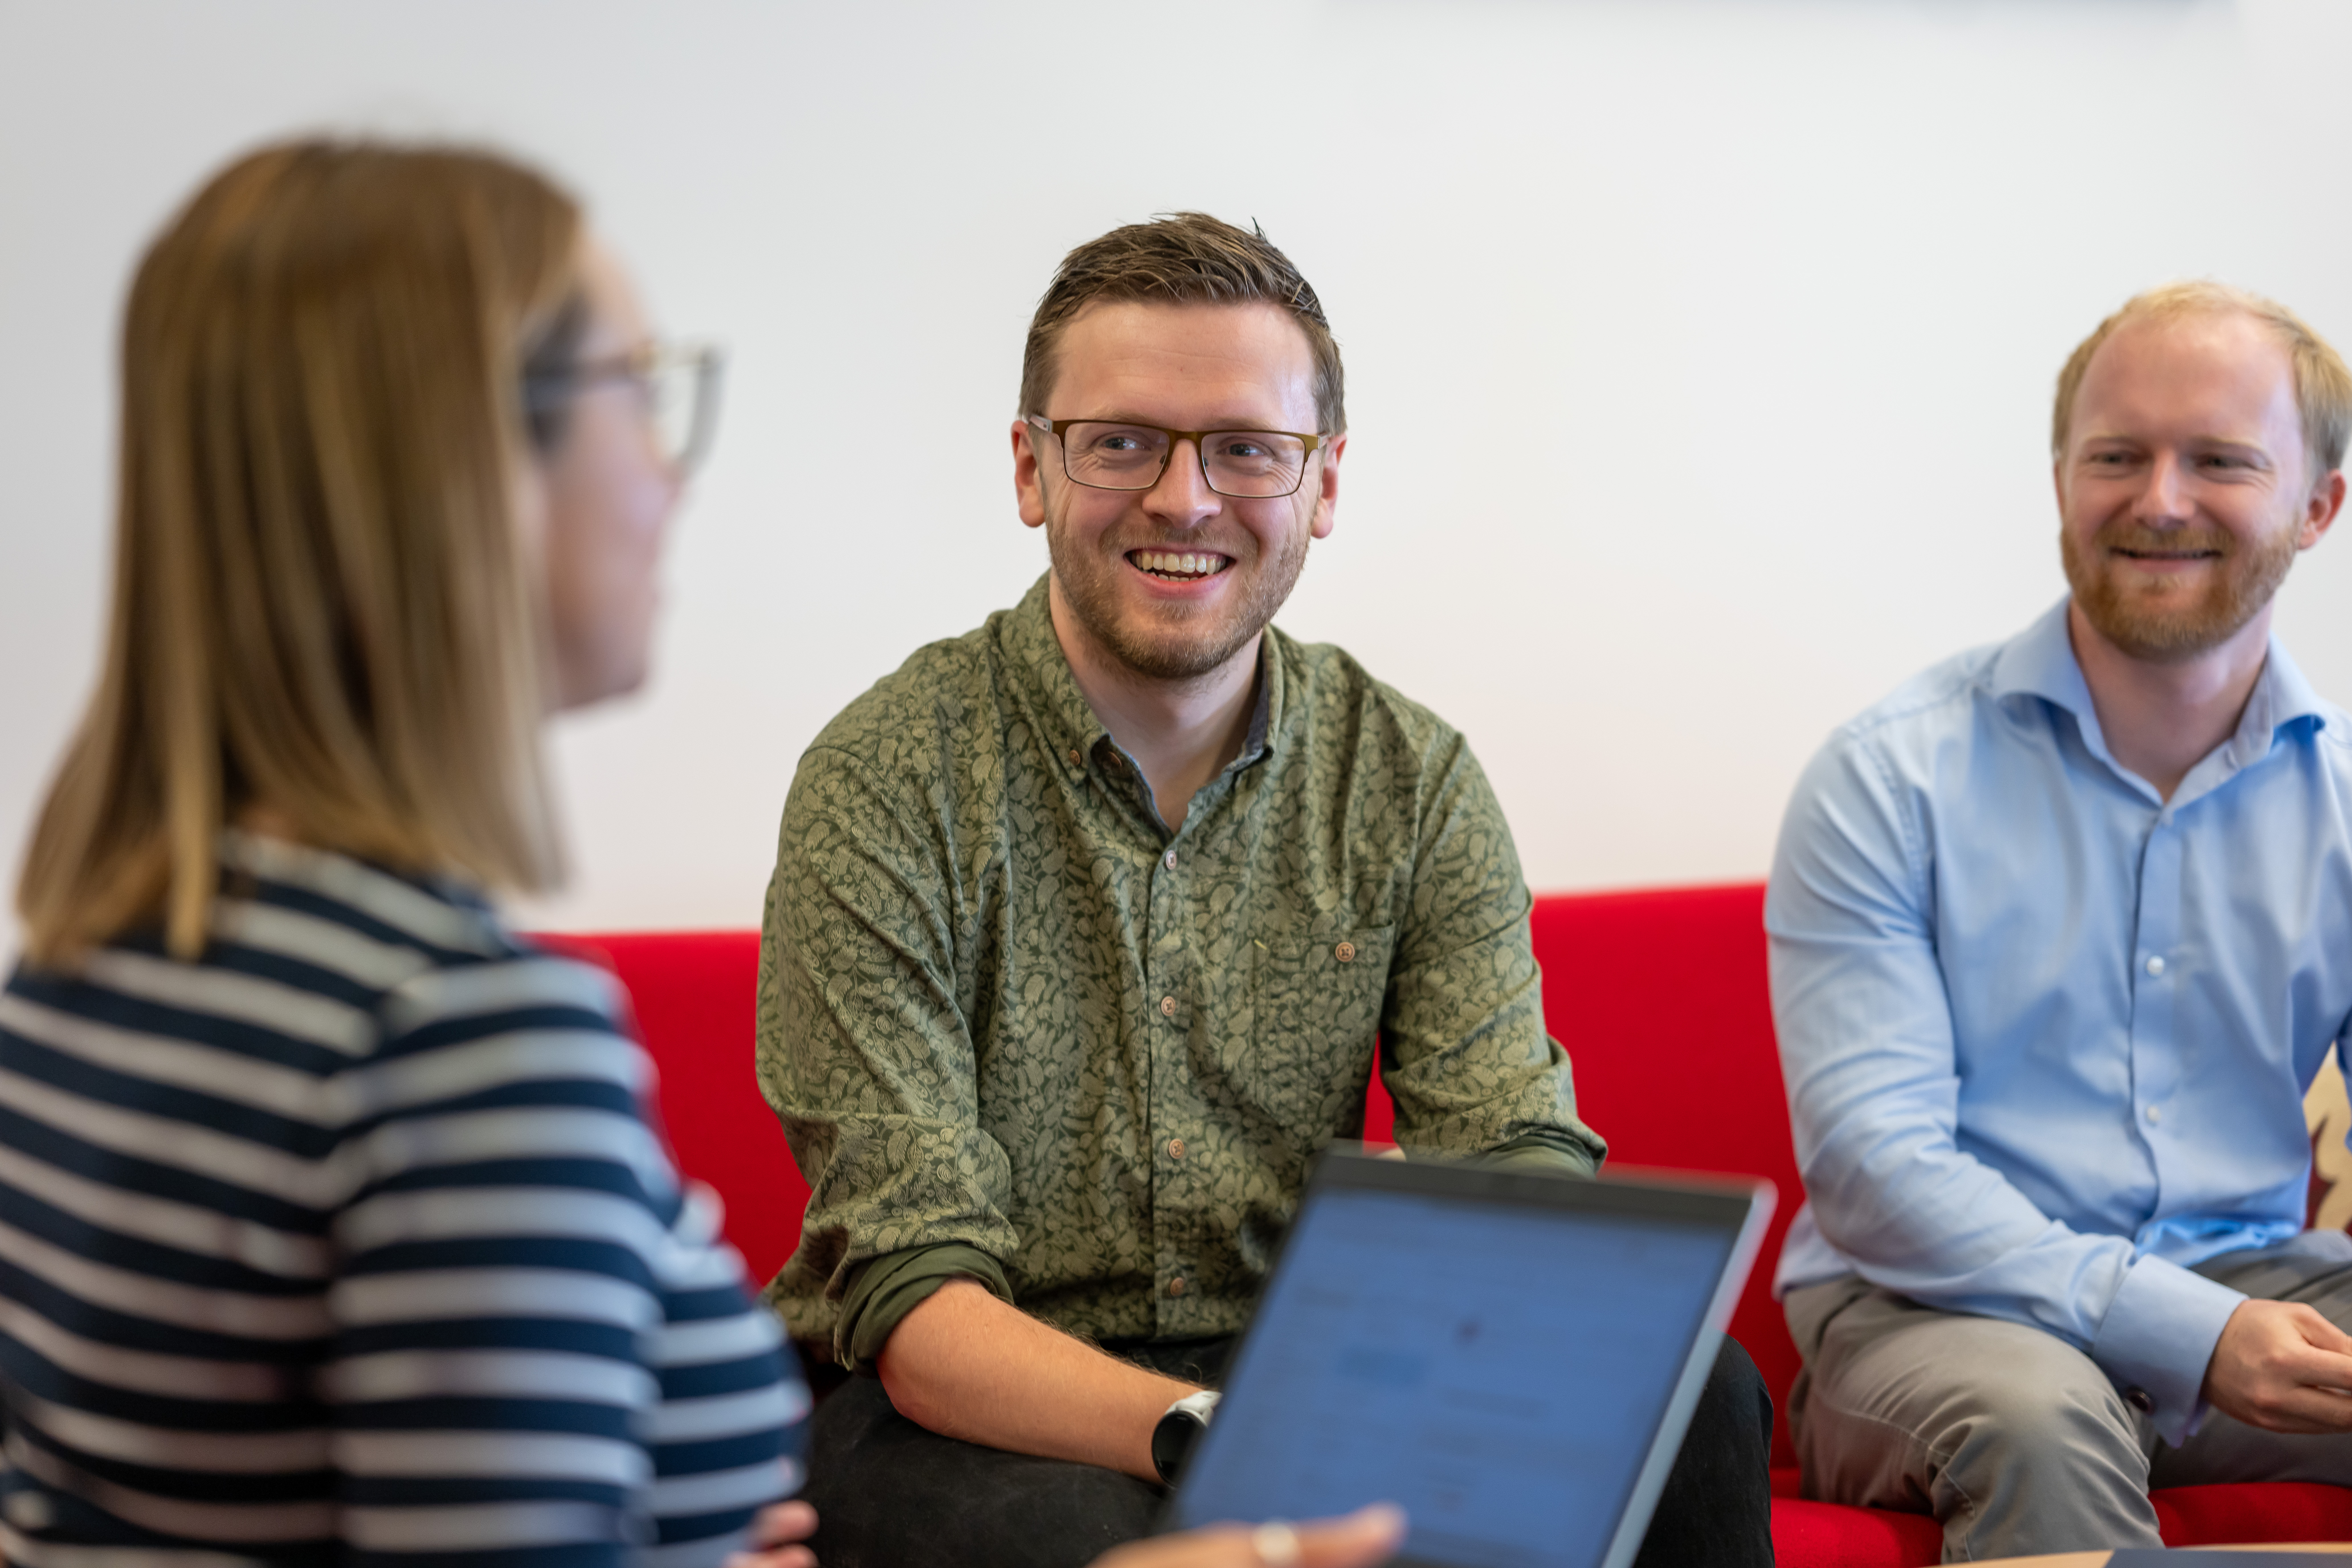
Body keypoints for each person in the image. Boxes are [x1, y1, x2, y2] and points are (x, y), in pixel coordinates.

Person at [758, 212, 1775, 1568]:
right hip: (979, 1399)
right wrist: (1213, 1431)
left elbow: (1512, 1150)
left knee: (1704, 1401)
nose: (1186, 499)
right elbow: (920, 1299)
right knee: (1090, 1527)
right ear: (1031, 466)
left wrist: (1507, 1323)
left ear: (1324, 483)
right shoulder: (884, 778)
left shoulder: (1409, 775)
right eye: (1123, 441)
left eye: (1247, 449)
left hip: (1310, 1371)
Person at [0, 139, 816, 1568]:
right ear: (471, 467)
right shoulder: (462, 1039)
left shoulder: (80, 970)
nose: (671, 477)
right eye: (641, 389)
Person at [1769, 280, 2352, 1559]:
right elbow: (1878, 1175)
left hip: (2251, 1276)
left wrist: (2220, 1319)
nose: (2159, 498)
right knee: (2041, 1418)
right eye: (2116, 456)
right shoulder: (1889, 776)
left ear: (2319, 504)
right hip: (1927, 1312)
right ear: (2059, 483)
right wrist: (2189, 1330)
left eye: (2220, 460)